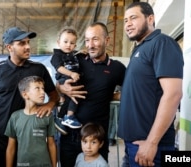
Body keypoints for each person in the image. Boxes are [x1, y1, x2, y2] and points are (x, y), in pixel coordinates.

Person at [0, 27, 59, 167]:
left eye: (28, 42)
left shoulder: (39, 69)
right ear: (9, 47)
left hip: (24, 143)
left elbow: (54, 96)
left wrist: (50, 104)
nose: (28, 46)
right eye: (22, 43)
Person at [118, 2, 183, 167]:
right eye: (125, 20)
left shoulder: (162, 43)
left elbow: (173, 94)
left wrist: (152, 143)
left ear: (150, 19)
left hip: (151, 147)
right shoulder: (139, 49)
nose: (128, 24)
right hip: (133, 144)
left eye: (133, 18)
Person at [57, 22, 126, 167]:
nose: (90, 45)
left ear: (107, 40)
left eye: (95, 39)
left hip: (97, 139)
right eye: (87, 40)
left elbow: (130, 91)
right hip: (70, 136)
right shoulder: (76, 60)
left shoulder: (117, 68)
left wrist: (110, 95)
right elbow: (58, 83)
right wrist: (62, 89)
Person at [5, 76, 57, 167]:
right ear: (25, 94)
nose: (42, 92)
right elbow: (11, 147)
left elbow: (51, 144)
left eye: (43, 89)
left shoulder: (47, 115)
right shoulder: (15, 117)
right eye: (37, 88)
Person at [50, 27, 83, 134]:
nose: (68, 45)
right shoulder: (57, 55)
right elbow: (59, 68)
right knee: (73, 96)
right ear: (58, 43)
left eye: (72, 43)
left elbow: (77, 54)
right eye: (65, 42)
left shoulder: (73, 55)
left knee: (71, 98)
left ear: (75, 45)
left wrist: (82, 52)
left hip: (72, 79)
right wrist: (71, 74)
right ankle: (69, 116)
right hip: (64, 79)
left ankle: (61, 118)